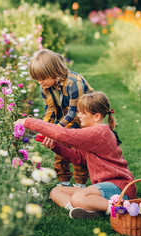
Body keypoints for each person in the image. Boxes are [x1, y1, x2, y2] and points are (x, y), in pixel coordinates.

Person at [14, 92, 136, 219]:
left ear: (96, 116)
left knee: (78, 197)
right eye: (78, 112)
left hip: (119, 188)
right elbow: (78, 158)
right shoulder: (96, 133)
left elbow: (62, 134)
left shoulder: (100, 132)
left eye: (83, 112)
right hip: (102, 187)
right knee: (56, 191)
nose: (78, 115)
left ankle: (120, 208)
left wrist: (28, 122)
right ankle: (84, 210)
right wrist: (55, 146)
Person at [29, 49, 94, 188]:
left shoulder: (73, 83)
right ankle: (64, 182)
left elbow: (75, 112)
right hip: (64, 121)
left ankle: (80, 183)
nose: (40, 82)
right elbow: (50, 109)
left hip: (82, 121)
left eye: (42, 78)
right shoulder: (45, 86)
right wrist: (46, 129)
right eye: (37, 79)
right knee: (59, 150)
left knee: (78, 153)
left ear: (54, 72)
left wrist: (55, 130)